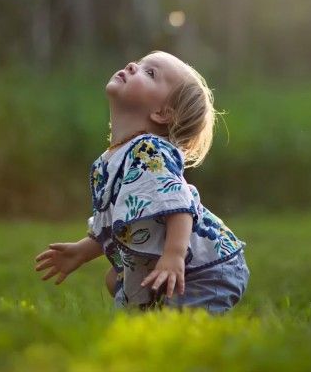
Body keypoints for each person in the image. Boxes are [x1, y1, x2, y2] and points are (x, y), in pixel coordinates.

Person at [34, 50, 249, 314]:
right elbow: (120, 223)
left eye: (150, 73)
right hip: (174, 260)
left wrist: (173, 256)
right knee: (116, 282)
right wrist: (81, 251)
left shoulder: (148, 151)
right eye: (140, 63)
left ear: (161, 112)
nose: (132, 65)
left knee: (176, 330)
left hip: (205, 267)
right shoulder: (111, 159)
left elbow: (181, 205)